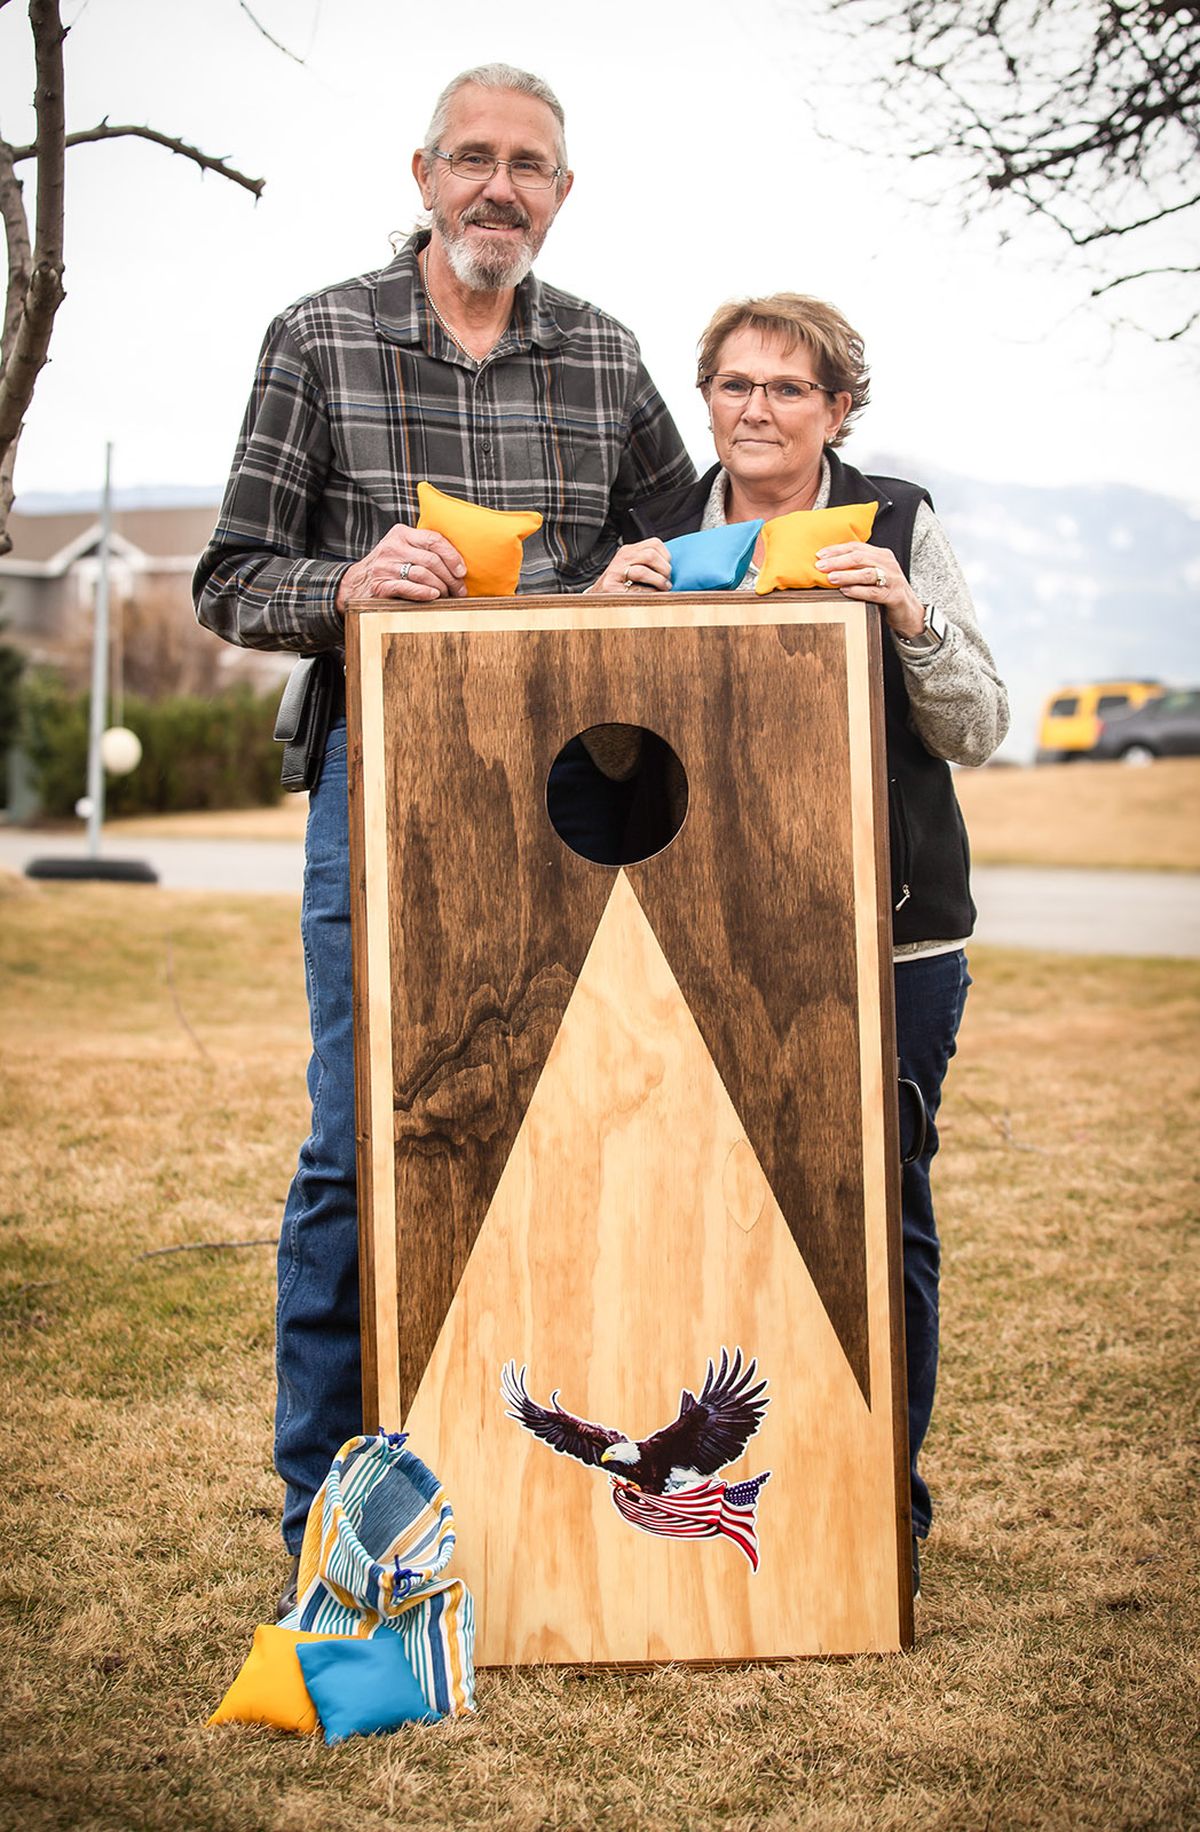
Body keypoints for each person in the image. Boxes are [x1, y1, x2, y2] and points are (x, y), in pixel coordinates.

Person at [193, 63, 694, 1610]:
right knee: (362, 1148)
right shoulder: (319, 336)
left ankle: (534, 1502)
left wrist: (645, 579)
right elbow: (229, 579)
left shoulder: (608, 358)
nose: (498, 187)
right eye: (470, 159)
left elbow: (688, 561)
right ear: (422, 175)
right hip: (384, 799)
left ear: (561, 190)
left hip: (581, 812)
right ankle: (321, 1529)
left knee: (567, 1147)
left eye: (526, 165)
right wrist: (342, 585)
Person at [595, 292, 1010, 1595]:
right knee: (723, 1224)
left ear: (837, 408)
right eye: (735, 385)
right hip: (710, 949)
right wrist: (601, 625)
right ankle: (750, 1498)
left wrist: (910, 619)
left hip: (894, 950)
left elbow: (979, 723)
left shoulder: (896, 518)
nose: (758, 409)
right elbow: (614, 763)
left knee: (882, 1227)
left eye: (788, 389)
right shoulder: (659, 525)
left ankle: (886, 1508)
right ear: (705, 398)